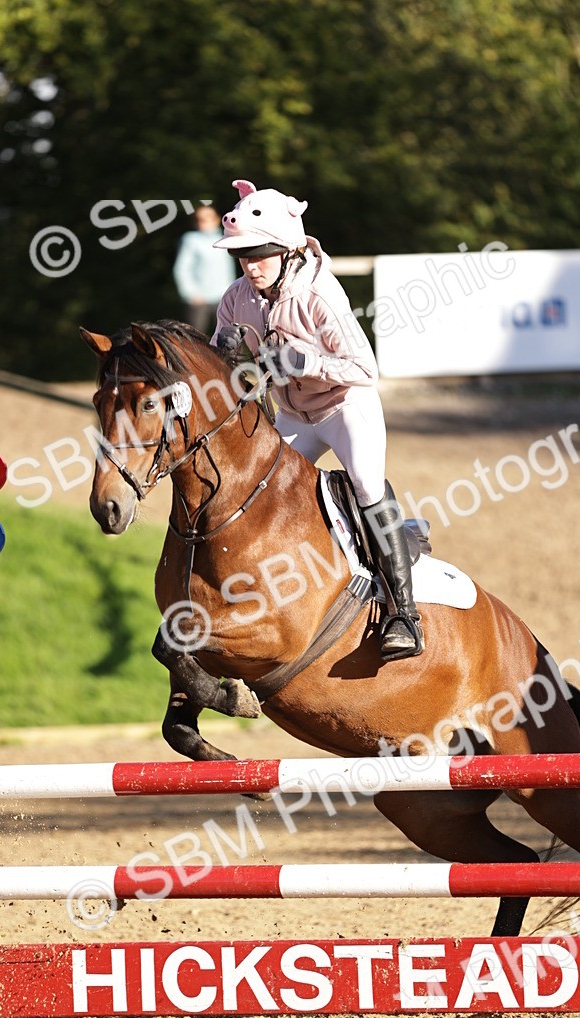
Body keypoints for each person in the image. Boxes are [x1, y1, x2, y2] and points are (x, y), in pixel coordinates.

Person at [210, 179, 423, 661]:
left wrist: (306, 363)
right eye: (242, 255)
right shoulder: (237, 296)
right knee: (253, 490)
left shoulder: (319, 295)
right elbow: (222, 354)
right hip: (291, 413)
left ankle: (404, 615)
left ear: (286, 251)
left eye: (259, 253)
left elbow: (365, 369)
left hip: (344, 406)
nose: (249, 264)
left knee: (366, 484)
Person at [173, 203, 236, 334]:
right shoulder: (190, 240)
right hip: (199, 300)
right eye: (199, 219)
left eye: (207, 218)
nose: (203, 222)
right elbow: (181, 268)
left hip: (223, 297)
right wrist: (190, 293)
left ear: (217, 219)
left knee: (229, 341)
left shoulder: (226, 238)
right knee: (195, 341)